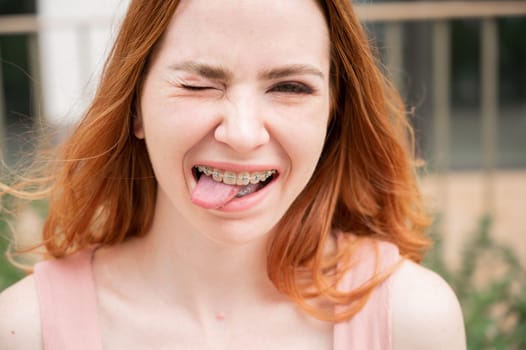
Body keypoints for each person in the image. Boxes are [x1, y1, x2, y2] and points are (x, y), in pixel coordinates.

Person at [0, 0, 466, 349]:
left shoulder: (412, 318)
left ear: (332, 112)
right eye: (199, 85)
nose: (242, 134)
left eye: (290, 87)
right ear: (135, 108)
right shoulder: (26, 328)